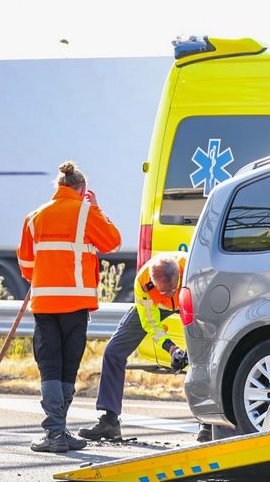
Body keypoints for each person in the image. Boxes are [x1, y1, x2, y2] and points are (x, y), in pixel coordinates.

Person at [18, 161, 121, 453]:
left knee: (49, 365)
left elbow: (26, 264)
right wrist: (97, 208)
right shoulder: (86, 213)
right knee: (67, 366)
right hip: (76, 304)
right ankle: (58, 432)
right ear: (82, 190)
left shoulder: (34, 217)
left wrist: (42, 276)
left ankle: (55, 432)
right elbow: (112, 242)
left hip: (45, 303)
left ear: (59, 187)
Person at [79, 251, 213, 443]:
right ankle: (109, 421)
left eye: (171, 289)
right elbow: (151, 323)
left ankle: (207, 420)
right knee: (113, 351)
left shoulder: (193, 271)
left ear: (178, 277)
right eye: (163, 291)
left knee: (205, 351)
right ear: (153, 282)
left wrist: (192, 351)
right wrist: (172, 349)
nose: (169, 294)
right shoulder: (143, 283)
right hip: (155, 307)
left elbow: (205, 317)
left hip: (191, 300)